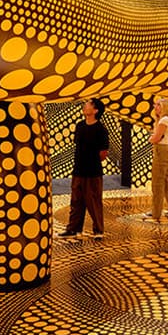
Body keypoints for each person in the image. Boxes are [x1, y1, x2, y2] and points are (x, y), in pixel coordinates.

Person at [59, 98, 109, 239]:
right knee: (76, 201)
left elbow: (103, 153)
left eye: (88, 104)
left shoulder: (101, 129)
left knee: (94, 201)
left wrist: (92, 160)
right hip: (78, 169)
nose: (85, 105)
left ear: (95, 110)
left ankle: (98, 230)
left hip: (93, 172)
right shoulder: (80, 126)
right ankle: (73, 229)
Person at [143, 97, 168, 222]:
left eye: (158, 104)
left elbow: (155, 138)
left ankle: (156, 212)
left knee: (157, 182)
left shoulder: (164, 120)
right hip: (163, 150)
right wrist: (154, 137)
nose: (155, 107)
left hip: (161, 150)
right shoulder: (163, 120)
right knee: (165, 181)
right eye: (155, 104)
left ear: (164, 106)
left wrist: (152, 138)